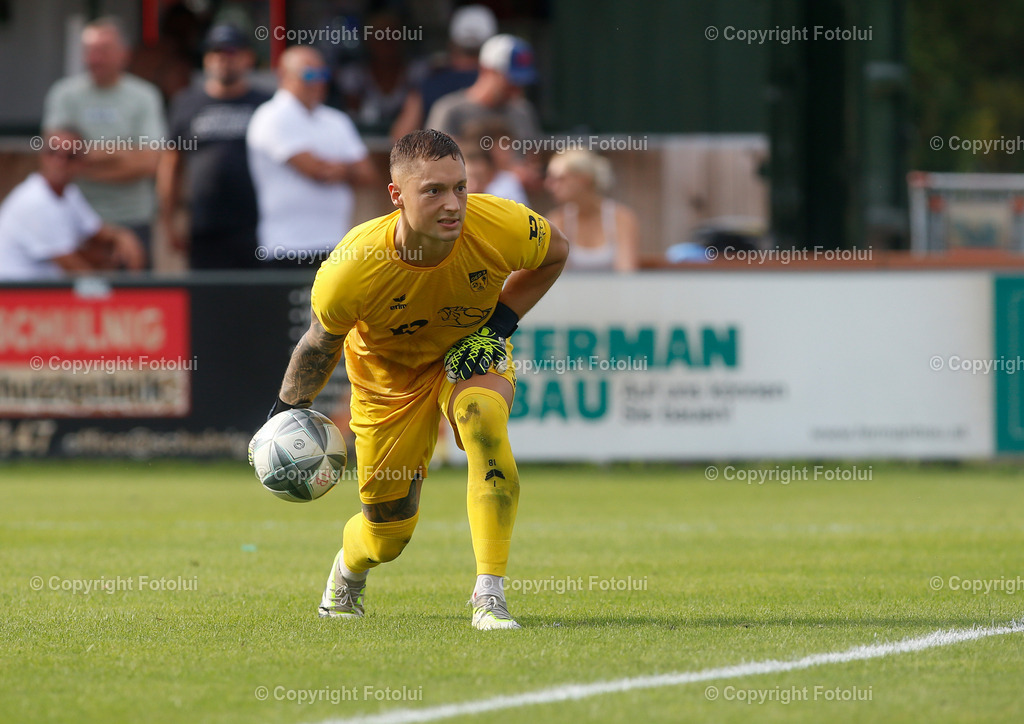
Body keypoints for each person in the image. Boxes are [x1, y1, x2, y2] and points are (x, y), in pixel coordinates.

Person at [260, 129, 568, 629]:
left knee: (484, 419)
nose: (453, 204)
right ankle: (348, 571)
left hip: (465, 353)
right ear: (396, 196)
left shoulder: (504, 224)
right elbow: (320, 343)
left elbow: (556, 253)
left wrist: (497, 328)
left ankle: (489, 595)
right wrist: (280, 417)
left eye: (460, 187)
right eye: (433, 191)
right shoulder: (352, 267)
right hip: (387, 383)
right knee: (389, 536)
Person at [42, 17, 166, 262]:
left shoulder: (144, 97)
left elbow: (149, 163)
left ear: (123, 54)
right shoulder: (64, 94)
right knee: (78, 297)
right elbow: (56, 157)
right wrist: (124, 152)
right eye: (89, 51)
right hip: (77, 219)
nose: (94, 59)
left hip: (133, 218)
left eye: (103, 51)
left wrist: (82, 160)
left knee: (135, 299)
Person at [247, 46, 377, 267]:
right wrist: (347, 170)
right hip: (286, 249)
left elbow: (368, 175)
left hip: (336, 247)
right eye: (309, 75)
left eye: (323, 75)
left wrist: (342, 171)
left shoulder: (337, 120)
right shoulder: (270, 116)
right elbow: (317, 171)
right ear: (284, 76)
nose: (318, 82)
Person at [158, 24, 271, 270]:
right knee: (206, 303)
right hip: (204, 226)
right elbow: (171, 164)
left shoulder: (266, 105)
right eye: (216, 52)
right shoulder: (186, 102)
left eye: (231, 52)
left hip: (258, 226)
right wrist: (169, 221)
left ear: (248, 58)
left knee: (256, 303)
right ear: (206, 59)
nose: (223, 60)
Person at [0, 129, 145, 280]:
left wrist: (122, 237)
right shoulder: (34, 200)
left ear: (82, 163)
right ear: (41, 156)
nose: (59, 162)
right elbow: (75, 269)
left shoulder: (69, 192)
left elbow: (96, 232)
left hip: (36, 293)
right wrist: (120, 294)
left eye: (70, 156)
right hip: (13, 296)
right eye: (53, 152)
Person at [389, 4, 497, 141]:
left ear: (451, 43)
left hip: (445, 159)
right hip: (447, 158)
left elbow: (400, 138)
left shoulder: (430, 78)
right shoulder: (430, 78)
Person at [424, 34, 540, 143]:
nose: (516, 90)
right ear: (486, 70)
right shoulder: (450, 111)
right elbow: (433, 160)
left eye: (521, 83)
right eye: (511, 83)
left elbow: (532, 158)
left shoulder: (523, 112)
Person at [336, 9, 429, 136]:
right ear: (368, 40)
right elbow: (352, 118)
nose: (386, 42)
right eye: (379, 36)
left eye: (392, 35)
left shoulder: (417, 72)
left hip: (407, 145)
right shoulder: (354, 75)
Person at [545, 149, 640, 272]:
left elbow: (627, 273)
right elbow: (556, 276)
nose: (549, 185)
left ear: (584, 179)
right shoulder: (556, 221)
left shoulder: (622, 218)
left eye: (560, 178)